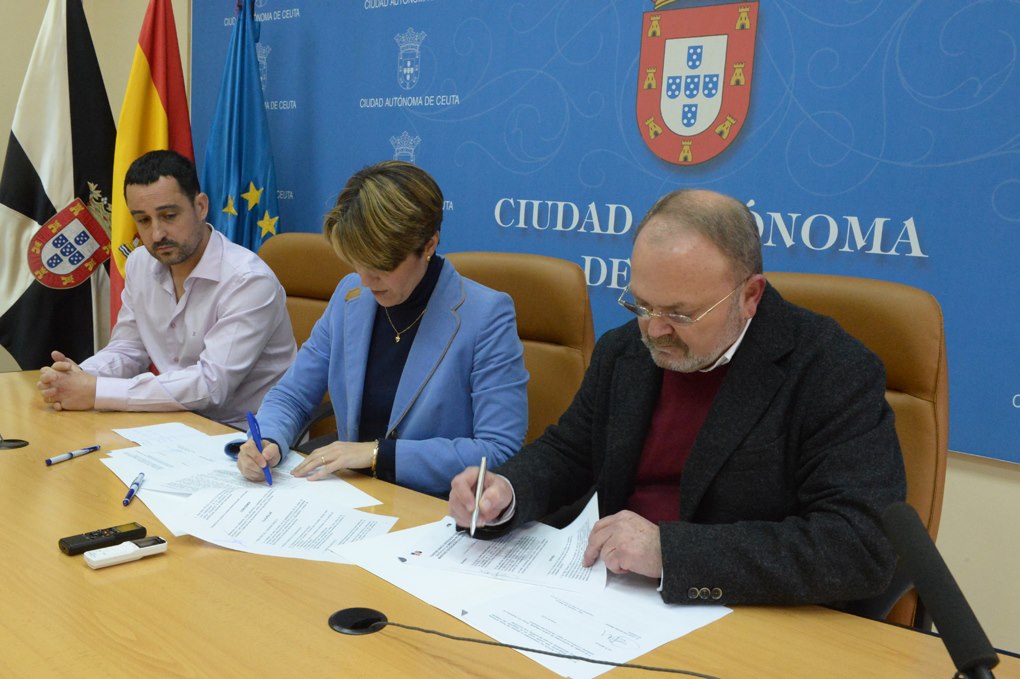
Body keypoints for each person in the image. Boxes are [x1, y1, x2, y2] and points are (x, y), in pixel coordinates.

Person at [450, 188, 907, 608]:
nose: (654, 330)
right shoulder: (624, 349)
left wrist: (669, 552)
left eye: (680, 314)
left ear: (750, 296)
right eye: (642, 304)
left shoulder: (831, 369)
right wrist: (505, 491)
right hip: (606, 596)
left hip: (741, 615)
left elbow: (858, 544)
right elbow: (571, 452)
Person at [236, 161, 528, 497]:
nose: (365, 279)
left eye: (381, 267)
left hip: (433, 507)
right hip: (352, 498)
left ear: (429, 245)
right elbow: (293, 395)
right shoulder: (351, 296)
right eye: (356, 262)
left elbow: (499, 450)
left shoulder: (486, 315)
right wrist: (269, 440)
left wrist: (378, 454)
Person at [36, 150, 296, 429]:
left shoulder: (248, 281)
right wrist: (79, 376)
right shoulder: (140, 264)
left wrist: (96, 391)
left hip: (247, 437)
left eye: (169, 215)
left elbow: (211, 386)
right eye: (143, 220)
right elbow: (128, 349)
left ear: (200, 206)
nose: (157, 234)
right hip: (173, 424)